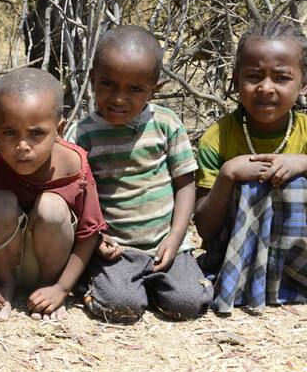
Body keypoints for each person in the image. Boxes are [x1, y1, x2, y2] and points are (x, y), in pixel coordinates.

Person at [66, 25, 213, 322]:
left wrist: (175, 237)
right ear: (92, 79)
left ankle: (151, 284)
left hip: (164, 243)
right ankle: (94, 280)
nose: (119, 98)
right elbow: (75, 196)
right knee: (123, 307)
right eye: (108, 84)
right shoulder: (83, 134)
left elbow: (186, 185)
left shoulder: (166, 124)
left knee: (189, 303)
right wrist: (97, 239)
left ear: (153, 90)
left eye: (135, 89)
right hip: (114, 247)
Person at [0, 68, 106, 321]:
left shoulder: (75, 167)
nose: (22, 146)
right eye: (10, 133)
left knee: (52, 206)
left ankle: (46, 288)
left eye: (36, 133)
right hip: (0, 263)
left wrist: (62, 288)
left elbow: (89, 234)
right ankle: (4, 288)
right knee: (0, 200)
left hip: (53, 266)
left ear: (59, 129)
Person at [195, 20, 307, 314]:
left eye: (281, 78)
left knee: (296, 182)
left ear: (304, 84)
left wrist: (304, 163)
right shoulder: (218, 138)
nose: (266, 88)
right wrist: (228, 175)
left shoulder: (306, 132)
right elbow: (205, 228)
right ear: (235, 79)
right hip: (235, 260)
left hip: (298, 263)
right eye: (254, 76)